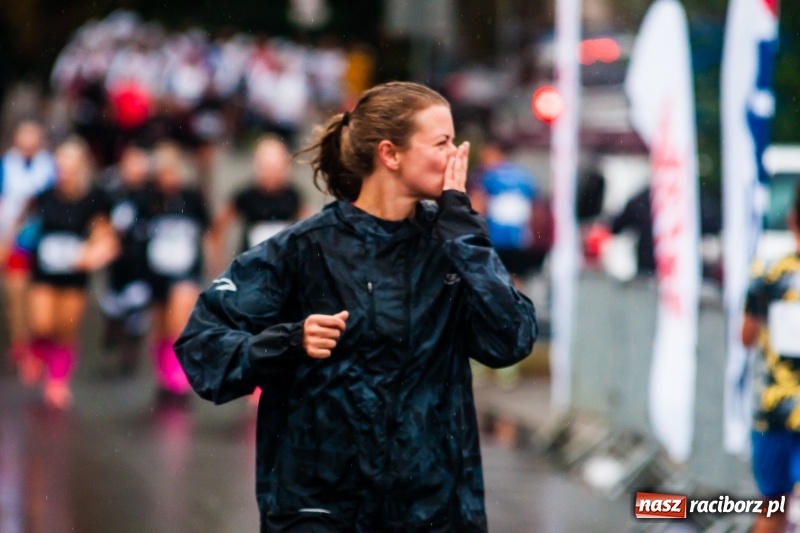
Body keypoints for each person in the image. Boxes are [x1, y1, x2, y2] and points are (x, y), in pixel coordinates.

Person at [175, 81, 537, 532]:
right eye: (442, 142)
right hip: (321, 511)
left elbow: (513, 339)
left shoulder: (453, 245)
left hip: (435, 512)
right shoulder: (304, 249)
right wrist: (289, 343)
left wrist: (464, 232)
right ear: (390, 154)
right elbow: (201, 347)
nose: (456, 156)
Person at [23, 136, 118, 409]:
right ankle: (37, 350)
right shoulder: (44, 195)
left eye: (69, 162)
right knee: (42, 323)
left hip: (74, 274)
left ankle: (57, 382)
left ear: (81, 166)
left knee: (66, 328)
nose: (63, 168)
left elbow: (106, 237)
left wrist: (92, 254)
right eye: (59, 162)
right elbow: (25, 227)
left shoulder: (93, 199)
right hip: (44, 271)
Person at [741, 184, 800, 533]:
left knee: (772, 506)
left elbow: (745, 337)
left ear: (792, 219)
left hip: (774, 407)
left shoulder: (769, 273)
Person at [467, 138, 543, 389]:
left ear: (493, 152)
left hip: (493, 246)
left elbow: (478, 207)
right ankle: (510, 365)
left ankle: (479, 362)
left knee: (483, 297)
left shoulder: (487, 177)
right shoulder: (524, 177)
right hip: (520, 246)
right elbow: (534, 211)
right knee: (515, 298)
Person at [144, 141, 210, 406]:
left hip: (185, 270)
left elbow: (207, 231)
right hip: (156, 271)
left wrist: (212, 265)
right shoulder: (148, 200)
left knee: (178, 324)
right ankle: (163, 376)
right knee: (160, 325)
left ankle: (179, 378)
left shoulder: (193, 199)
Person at [0, 119, 56, 370]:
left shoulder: (51, 167)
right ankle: (20, 341)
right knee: (16, 291)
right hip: (13, 235)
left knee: (41, 292)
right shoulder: (6, 166)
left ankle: (39, 341)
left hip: (43, 237)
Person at [209, 134, 309, 274]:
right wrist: (218, 266)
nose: (271, 173)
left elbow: (309, 225)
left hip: (285, 270)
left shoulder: (293, 196)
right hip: (252, 270)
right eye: (267, 167)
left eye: (276, 167)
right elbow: (219, 227)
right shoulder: (246, 196)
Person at [99, 143, 153, 376]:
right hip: (117, 262)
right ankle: (113, 329)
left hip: (142, 263)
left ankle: (129, 354)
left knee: (136, 313)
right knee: (115, 305)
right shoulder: (114, 193)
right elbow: (100, 220)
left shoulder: (152, 195)